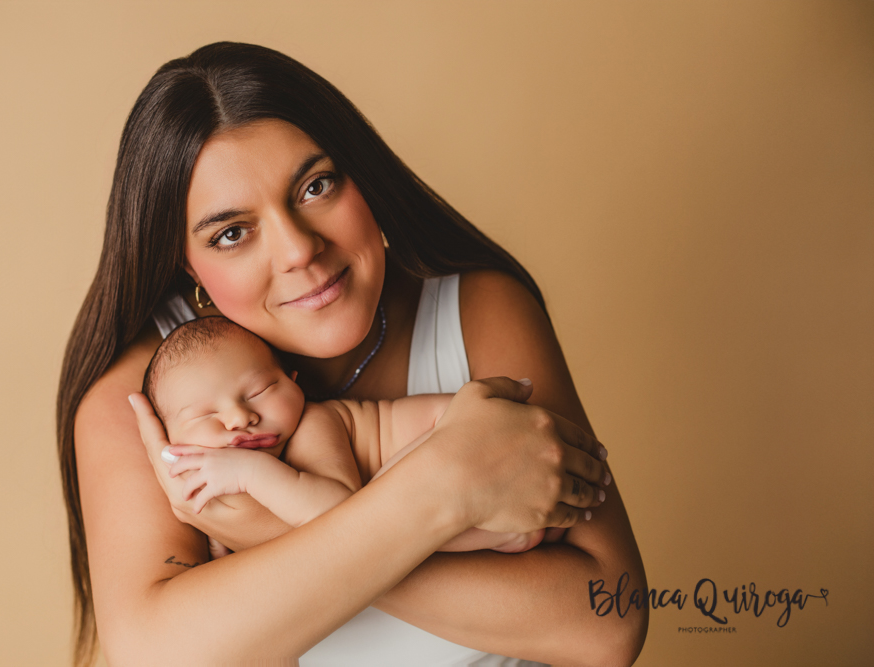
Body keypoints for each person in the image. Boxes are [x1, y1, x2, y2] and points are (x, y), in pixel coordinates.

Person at [57, 42, 648, 667]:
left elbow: (608, 625)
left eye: (316, 186)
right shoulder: (150, 398)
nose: (298, 250)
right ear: (187, 265)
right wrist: (440, 490)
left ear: (361, 177)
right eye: (232, 233)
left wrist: (270, 529)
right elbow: (156, 654)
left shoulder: (479, 311)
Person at [144, 316, 601, 552]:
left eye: (261, 390)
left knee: (404, 516)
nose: (240, 418)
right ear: (171, 441)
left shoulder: (314, 427)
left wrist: (249, 475)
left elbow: (344, 520)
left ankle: (502, 534)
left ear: (294, 380)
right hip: (494, 474)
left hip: (485, 442)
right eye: (205, 416)